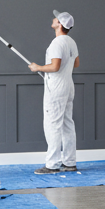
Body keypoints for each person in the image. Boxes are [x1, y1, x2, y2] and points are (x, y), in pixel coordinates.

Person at [28, 12, 80, 174]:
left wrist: (38, 68)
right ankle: (70, 163)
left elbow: (55, 67)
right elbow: (76, 64)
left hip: (56, 89)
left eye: (55, 18)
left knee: (53, 125)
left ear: (59, 23)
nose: (53, 18)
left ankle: (52, 165)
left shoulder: (57, 43)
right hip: (68, 86)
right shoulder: (71, 42)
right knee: (67, 124)